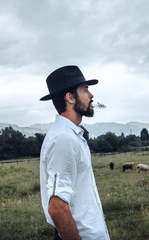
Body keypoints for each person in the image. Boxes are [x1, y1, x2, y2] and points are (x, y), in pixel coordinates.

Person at [40, 65, 110, 240]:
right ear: (70, 97)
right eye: (85, 90)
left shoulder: (72, 134)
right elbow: (57, 207)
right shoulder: (64, 138)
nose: (91, 95)